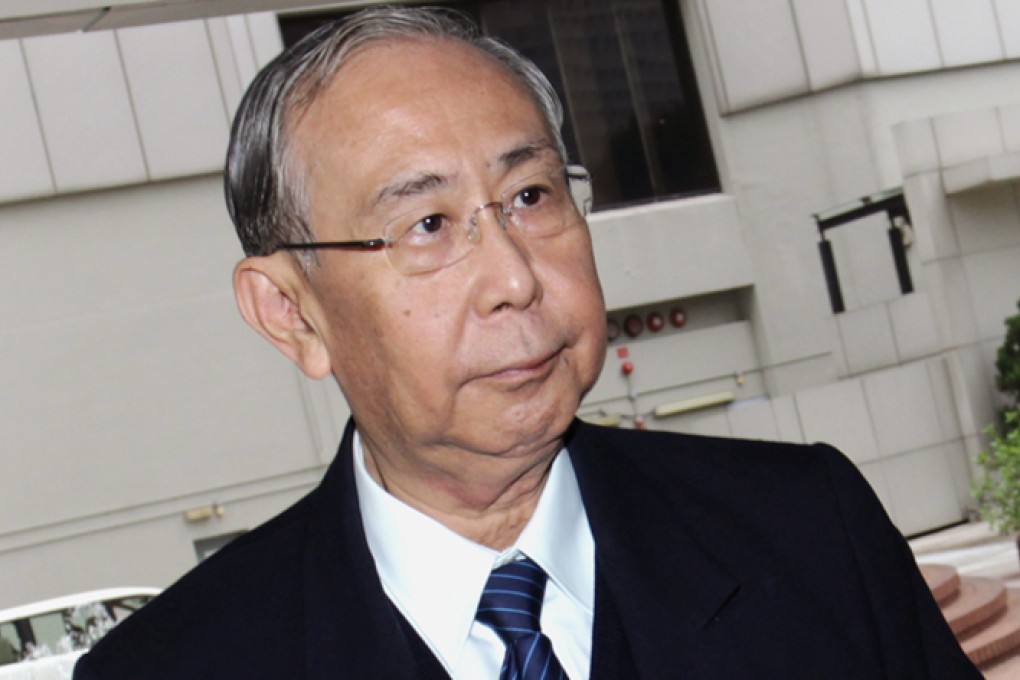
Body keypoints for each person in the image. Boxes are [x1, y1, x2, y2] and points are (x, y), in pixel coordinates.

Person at [74, 6, 978, 679]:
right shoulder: (172, 668)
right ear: (291, 312)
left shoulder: (810, 533)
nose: (515, 277)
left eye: (533, 197)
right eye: (427, 224)